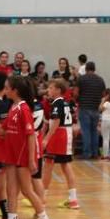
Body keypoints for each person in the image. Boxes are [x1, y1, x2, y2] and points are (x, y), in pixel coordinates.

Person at [0, 75, 55, 219]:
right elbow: (2, 132)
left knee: (26, 190)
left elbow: (30, 136)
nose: (5, 90)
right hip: (11, 155)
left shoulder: (23, 109)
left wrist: (31, 159)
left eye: (7, 88)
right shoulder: (13, 107)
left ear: (15, 91)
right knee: (11, 190)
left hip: (22, 155)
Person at [41, 79, 79, 209]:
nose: (48, 90)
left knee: (48, 165)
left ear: (58, 90)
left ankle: (42, 198)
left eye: (51, 88)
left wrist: (46, 139)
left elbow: (56, 122)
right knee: (65, 166)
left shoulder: (57, 103)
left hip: (59, 135)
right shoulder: (64, 103)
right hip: (65, 135)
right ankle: (73, 199)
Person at [74, 62, 106, 159]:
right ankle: (95, 153)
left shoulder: (81, 79)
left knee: (86, 131)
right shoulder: (100, 80)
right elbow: (104, 94)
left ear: (86, 69)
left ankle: (87, 153)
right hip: (95, 109)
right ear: (94, 69)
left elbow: (75, 93)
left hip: (84, 107)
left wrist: (78, 99)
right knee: (94, 131)